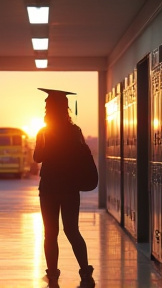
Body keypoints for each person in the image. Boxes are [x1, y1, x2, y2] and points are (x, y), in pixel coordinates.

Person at [33, 88, 95, 288]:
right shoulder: (74, 131)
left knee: (50, 232)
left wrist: (44, 144)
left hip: (49, 187)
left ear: (49, 109)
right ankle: (85, 273)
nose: (44, 107)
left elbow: (37, 158)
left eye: (47, 105)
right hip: (70, 187)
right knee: (72, 230)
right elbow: (82, 155)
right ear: (65, 109)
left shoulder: (44, 132)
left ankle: (52, 275)